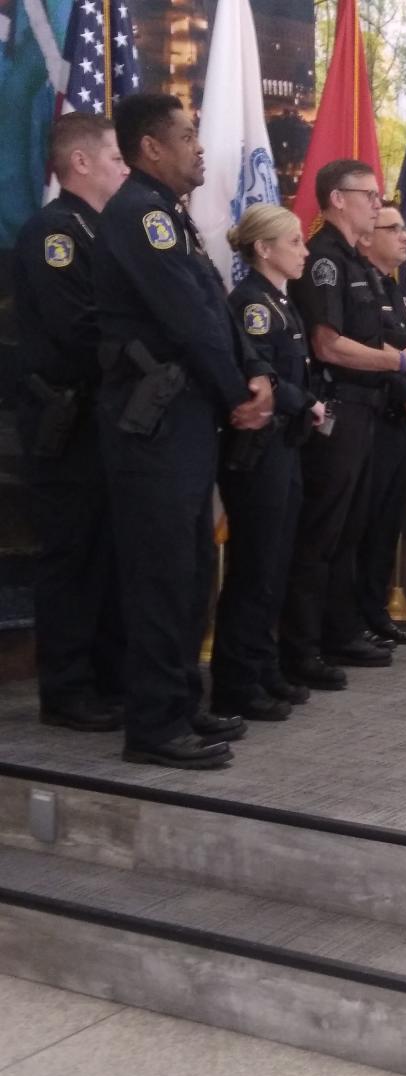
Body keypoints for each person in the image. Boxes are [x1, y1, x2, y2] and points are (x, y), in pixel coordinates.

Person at [95, 94, 275, 767]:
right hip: (156, 425)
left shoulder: (170, 216)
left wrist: (253, 373)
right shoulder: (141, 215)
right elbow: (185, 318)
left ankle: (178, 706)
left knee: (192, 568)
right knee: (162, 576)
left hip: (188, 422)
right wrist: (238, 395)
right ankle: (154, 727)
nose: (200, 148)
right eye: (188, 136)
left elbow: (217, 309)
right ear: (151, 148)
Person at [280, 159, 406, 686]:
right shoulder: (326, 260)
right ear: (336, 199)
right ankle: (304, 648)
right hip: (337, 410)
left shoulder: (358, 264)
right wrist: (402, 363)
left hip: (368, 409)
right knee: (322, 535)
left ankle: (339, 629)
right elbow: (327, 344)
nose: (378, 203)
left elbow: (375, 338)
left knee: (351, 533)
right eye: (369, 195)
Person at [12, 114, 128, 731]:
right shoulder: (57, 232)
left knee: (106, 555)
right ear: (79, 162)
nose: (124, 166)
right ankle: (67, 689)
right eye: (113, 156)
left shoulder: (100, 230)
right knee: (72, 558)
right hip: (69, 420)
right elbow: (78, 327)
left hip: (103, 420)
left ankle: (107, 677)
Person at [211, 204, 325, 722]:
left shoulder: (283, 303)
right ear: (263, 248)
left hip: (287, 446)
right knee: (254, 567)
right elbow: (262, 378)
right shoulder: (252, 304)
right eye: (295, 242)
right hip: (260, 449)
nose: (304, 251)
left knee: (275, 564)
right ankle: (238, 680)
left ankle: (262, 665)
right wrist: (305, 403)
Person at [354, 200, 406, 647]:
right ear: (367, 237)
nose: (405, 235)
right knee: (363, 525)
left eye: (404, 227)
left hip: (401, 419)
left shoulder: (396, 288)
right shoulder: (362, 286)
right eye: (393, 227)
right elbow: (370, 350)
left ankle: (375, 608)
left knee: (387, 524)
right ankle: (354, 615)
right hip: (373, 416)